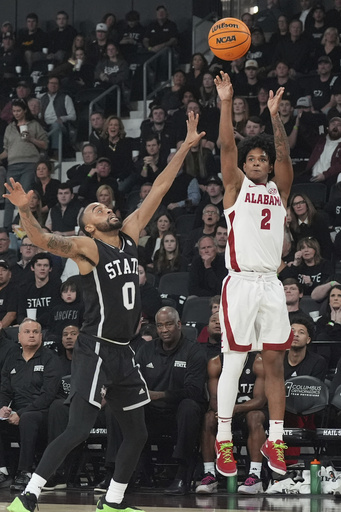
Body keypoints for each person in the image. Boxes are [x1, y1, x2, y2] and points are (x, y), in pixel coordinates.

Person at [5, 110, 204, 512]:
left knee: (137, 433)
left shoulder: (129, 234)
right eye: (95, 209)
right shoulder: (88, 247)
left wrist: (184, 146)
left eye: (104, 204)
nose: (104, 206)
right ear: (89, 227)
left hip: (125, 350)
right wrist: (26, 210)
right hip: (94, 348)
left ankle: (112, 503)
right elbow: (43, 239)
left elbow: (159, 189)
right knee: (78, 427)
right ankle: (28, 496)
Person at [214, 72, 293, 478]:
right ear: (244, 167)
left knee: (274, 363)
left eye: (262, 158)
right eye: (253, 159)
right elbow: (227, 145)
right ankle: (224, 440)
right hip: (241, 283)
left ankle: (276, 438)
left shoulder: (279, 190)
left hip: (271, 285)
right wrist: (226, 102)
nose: (259, 162)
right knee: (235, 361)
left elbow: (285, 157)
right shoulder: (235, 188)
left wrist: (275, 117)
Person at [135, 306, 207, 495]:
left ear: (179, 324)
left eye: (168, 325)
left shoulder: (194, 351)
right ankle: (126, 473)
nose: (164, 330)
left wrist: (159, 395)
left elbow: (194, 391)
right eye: (160, 325)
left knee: (189, 407)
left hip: (180, 415)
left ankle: (182, 475)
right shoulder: (146, 350)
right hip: (153, 414)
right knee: (126, 409)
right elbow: (135, 382)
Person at [0, 318, 62, 491]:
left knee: (28, 418)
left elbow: (48, 395)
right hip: (16, 411)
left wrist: (20, 413)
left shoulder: (50, 358)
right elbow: (4, 389)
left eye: (35, 332)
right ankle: (2, 470)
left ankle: (25, 472)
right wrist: (3, 407)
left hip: (43, 412)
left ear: (41, 337)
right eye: (27, 332)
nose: (31, 335)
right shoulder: (12, 358)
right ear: (19, 336)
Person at [196, 351, 267, 494]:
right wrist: (226, 411)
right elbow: (214, 399)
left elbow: (260, 400)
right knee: (208, 418)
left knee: (255, 417)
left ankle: (255, 475)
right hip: (226, 412)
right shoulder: (216, 363)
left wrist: (235, 408)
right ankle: (209, 474)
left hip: (249, 410)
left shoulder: (258, 362)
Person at [0, 99, 48, 231]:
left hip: (30, 164)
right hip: (13, 164)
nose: (16, 113)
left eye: (18, 110)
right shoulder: (9, 127)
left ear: (25, 110)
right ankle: (6, 228)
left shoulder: (34, 124)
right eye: (14, 111)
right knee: (10, 198)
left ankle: (25, 225)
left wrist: (31, 139)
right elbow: (6, 150)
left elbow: (45, 144)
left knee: (24, 196)